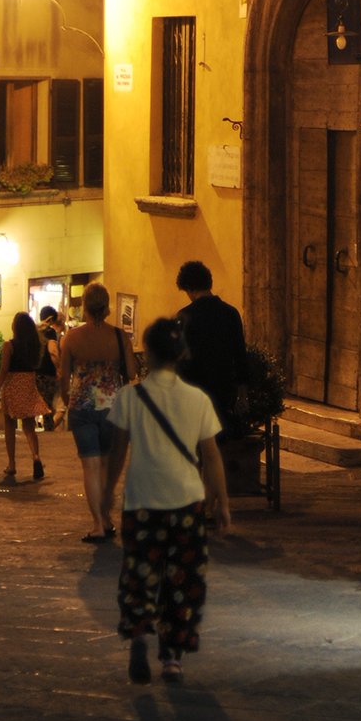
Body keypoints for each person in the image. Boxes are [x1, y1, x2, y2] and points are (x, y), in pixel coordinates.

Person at [103, 317, 230, 684]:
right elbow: (211, 456)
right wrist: (221, 501)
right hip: (187, 503)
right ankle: (173, 656)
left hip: (142, 501)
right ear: (182, 354)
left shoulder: (130, 397)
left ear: (149, 354)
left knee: (139, 574)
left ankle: (140, 635)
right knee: (183, 579)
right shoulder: (198, 399)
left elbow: (117, 451)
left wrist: (107, 490)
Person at [59, 282, 136, 543]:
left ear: (85, 307)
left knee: (90, 466)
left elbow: (64, 374)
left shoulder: (72, 338)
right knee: (106, 464)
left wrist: (67, 396)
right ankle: (107, 516)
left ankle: (98, 524)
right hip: (113, 406)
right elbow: (132, 372)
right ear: (107, 306)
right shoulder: (119, 336)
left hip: (82, 406)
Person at [175, 259, 248, 431]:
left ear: (190, 289)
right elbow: (240, 355)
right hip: (223, 390)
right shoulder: (230, 313)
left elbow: (179, 361)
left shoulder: (184, 316)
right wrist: (242, 394)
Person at [0, 311, 46, 483]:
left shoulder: (9, 345)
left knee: (9, 424)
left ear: (15, 327)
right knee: (29, 427)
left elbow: (4, 370)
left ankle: (12, 464)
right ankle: (36, 456)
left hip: (13, 385)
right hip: (28, 384)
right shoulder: (34, 346)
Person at [35, 305, 62, 431]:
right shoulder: (49, 332)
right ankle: (48, 434)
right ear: (50, 319)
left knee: (37, 405)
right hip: (47, 373)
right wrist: (58, 368)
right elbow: (53, 351)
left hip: (34, 373)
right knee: (48, 407)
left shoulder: (33, 330)